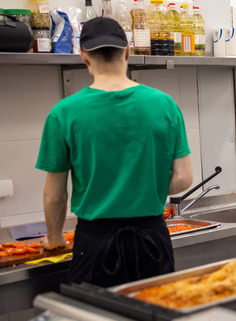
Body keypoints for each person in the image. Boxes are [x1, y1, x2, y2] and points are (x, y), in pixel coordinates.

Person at [35, 17, 193, 287]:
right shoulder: (165, 105)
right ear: (128, 51)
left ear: (84, 56)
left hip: (96, 243)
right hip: (151, 239)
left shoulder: (63, 113)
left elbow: (55, 194)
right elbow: (183, 179)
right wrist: (144, 189)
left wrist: (55, 238)